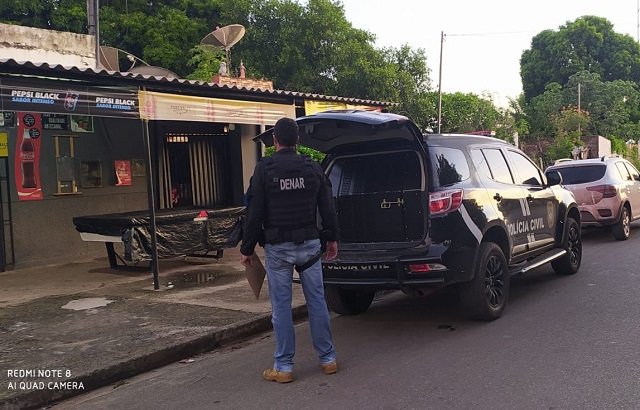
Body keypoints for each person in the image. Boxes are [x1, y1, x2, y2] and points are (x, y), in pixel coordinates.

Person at [240, 117, 339, 383]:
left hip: (278, 248)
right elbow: (327, 207)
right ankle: (328, 360)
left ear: (274, 140)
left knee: (281, 308)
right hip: (310, 247)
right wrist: (332, 239)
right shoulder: (312, 167)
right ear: (298, 140)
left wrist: (247, 248)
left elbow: (254, 212)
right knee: (317, 302)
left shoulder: (264, 169)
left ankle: (284, 367)